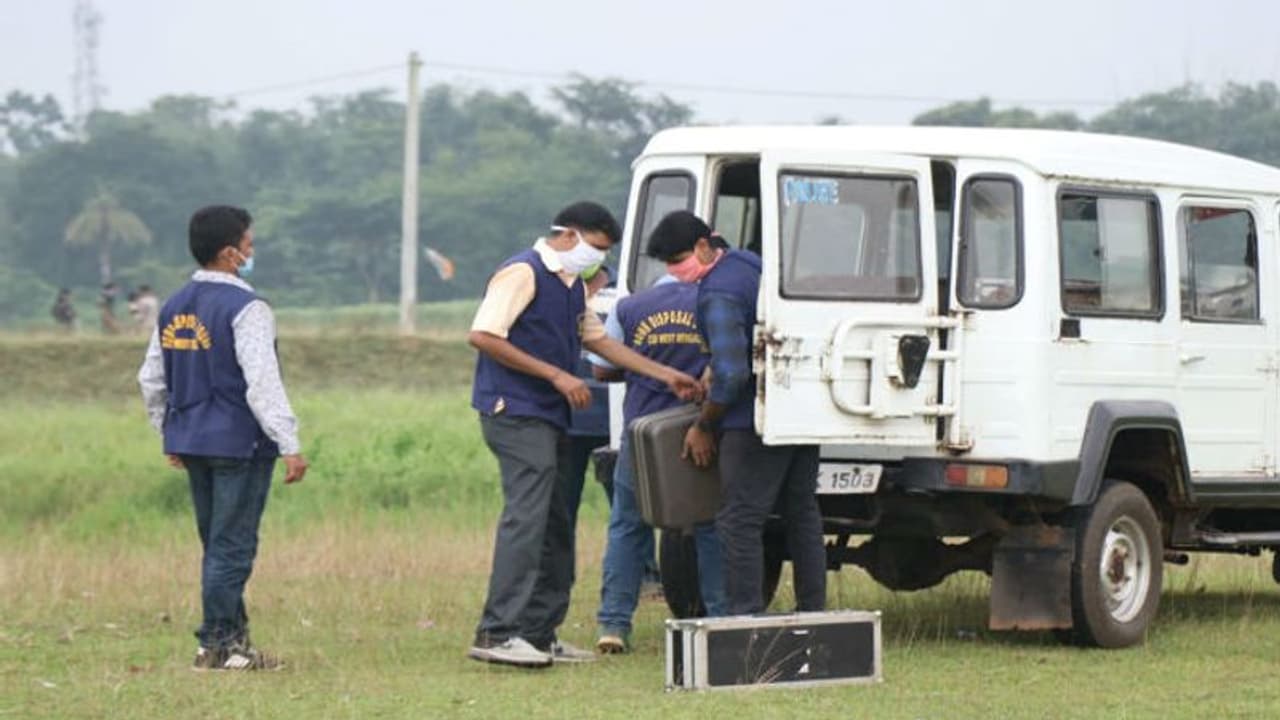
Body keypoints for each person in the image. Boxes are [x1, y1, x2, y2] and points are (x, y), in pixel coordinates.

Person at [467, 200, 702, 669]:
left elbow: (600, 342)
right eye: (595, 247)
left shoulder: (572, 285)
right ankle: (498, 631)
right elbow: (485, 335)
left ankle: (539, 632)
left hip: (549, 415)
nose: (598, 258)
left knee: (556, 521)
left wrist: (664, 375)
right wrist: (557, 375)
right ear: (569, 234)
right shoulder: (523, 272)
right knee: (527, 517)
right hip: (513, 411)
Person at [137, 205, 309, 671]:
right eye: (249, 244)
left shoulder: (173, 306)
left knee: (216, 546)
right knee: (232, 548)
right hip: (239, 444)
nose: (252, 252)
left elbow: (151, 378)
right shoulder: (248, 308)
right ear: (230, 253)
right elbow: (262, 381)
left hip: (193, 440)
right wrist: (288, 442)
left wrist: (168, 431)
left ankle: (234, 643)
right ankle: (217, 645)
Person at [645, 210, 827, 616]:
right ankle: (813, 609)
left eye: (678, 260)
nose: (675, 271)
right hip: (799, 410)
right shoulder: (747, 263)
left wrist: (704, 424)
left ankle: (746, 616)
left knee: (738, 520)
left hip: (751, 421)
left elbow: (732, 374)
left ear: (703, 246)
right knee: (802, 513)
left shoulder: (717, 293)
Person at [592, 274, 726, 654]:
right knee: (710, 524)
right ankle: (720, 618)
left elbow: (600, 369)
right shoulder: (714, 301)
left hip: (644, 433)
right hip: (698, 429)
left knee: (627, 525)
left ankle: (613, 624)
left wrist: (641, 367)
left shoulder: (628, 306)